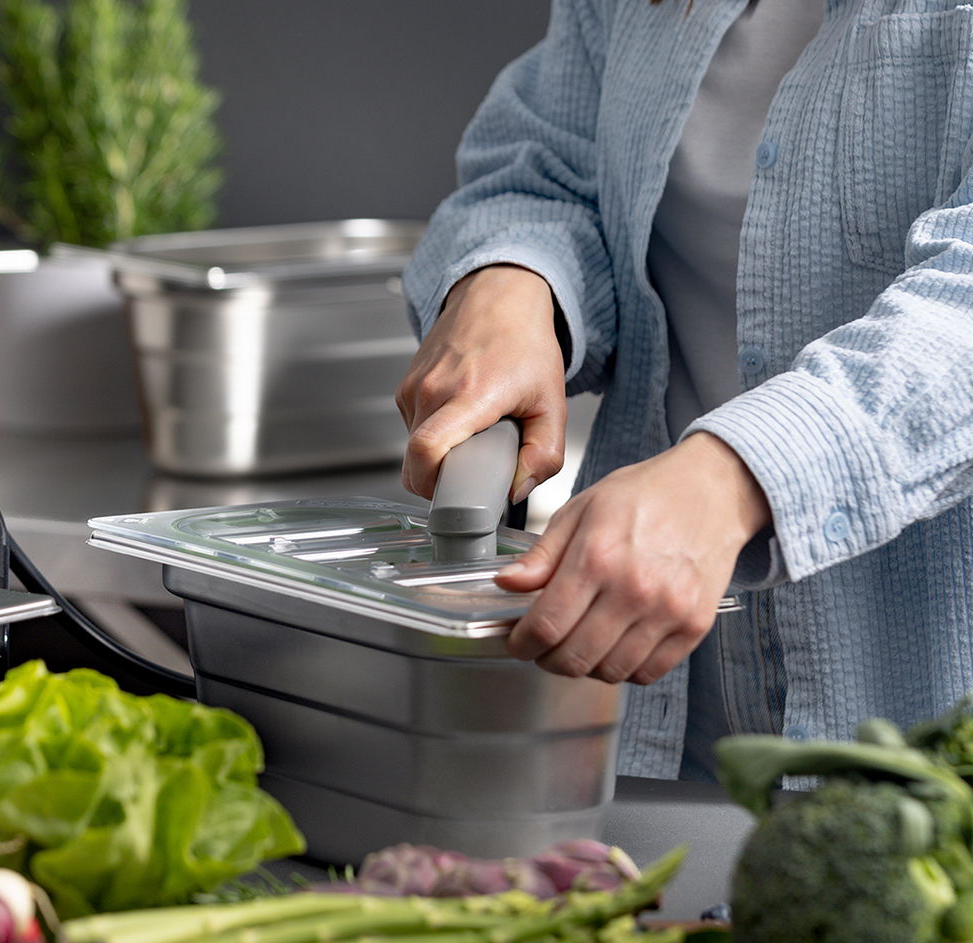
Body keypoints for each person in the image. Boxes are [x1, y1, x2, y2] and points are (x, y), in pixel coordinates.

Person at [395, 0, 973, 782]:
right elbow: (548, 162)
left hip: (924, 747)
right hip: (646, 726)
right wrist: (512, 277)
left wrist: (736, 476)